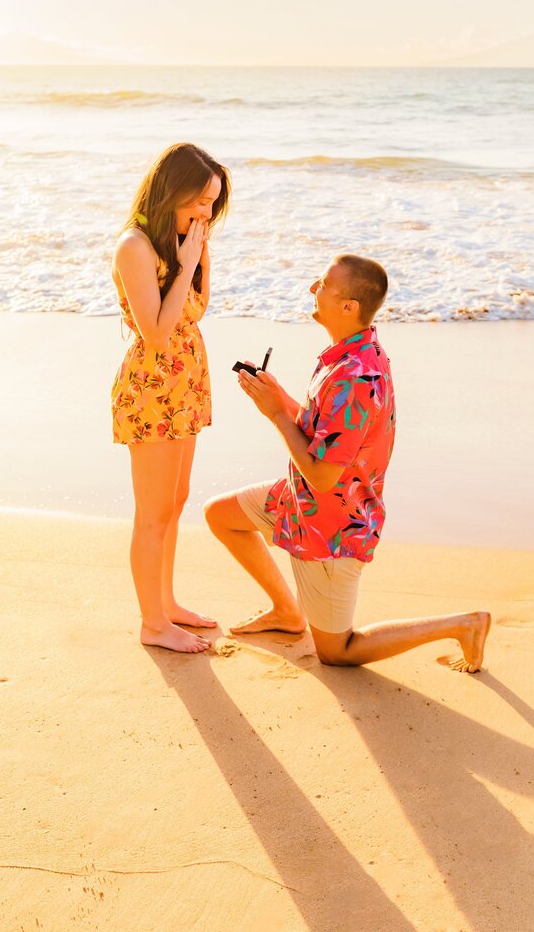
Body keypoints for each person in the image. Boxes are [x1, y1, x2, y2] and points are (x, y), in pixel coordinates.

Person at [204, 254, 491, 670]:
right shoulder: (349, 353)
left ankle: (463, 624)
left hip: (334, 527)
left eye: (321, 283)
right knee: (220, 515)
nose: (311, 289)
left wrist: (277, 414)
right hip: (299, 500)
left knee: (338, 652)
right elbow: (321, 434)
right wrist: (277, 395)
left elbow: (322, 476)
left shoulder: (355, 376)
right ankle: (287, 613)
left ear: (348, 307)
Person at [112, 142, 231, 653]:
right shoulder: (135, 247)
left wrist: (196, 258)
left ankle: (167, 604)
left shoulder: (181, 242)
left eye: (212, 203)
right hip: (153, 389)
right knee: (153, 513)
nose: (206, 213)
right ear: (172, 190)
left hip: (185, 384)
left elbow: (195, 310)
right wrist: (184, 266)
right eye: (199, 201)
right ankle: (152, 624)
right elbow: (157, 333)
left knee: (175, 503)